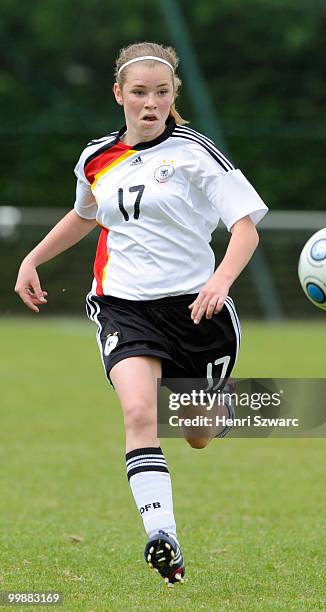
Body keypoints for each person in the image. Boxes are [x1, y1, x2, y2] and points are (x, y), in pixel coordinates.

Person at [14, 41, 268, 587]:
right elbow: (85, 216)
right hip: (123, 305)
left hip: (197, 312)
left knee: (197, 432)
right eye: (139, 93)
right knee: (138, 414)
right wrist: (33, 257)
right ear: (119, 95)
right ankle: (163, 536)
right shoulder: (96, 158)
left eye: (161, 92)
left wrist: (220, 281)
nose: (149, 103)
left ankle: (222, 406)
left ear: (174, 95)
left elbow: (245, 226)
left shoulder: (197, 153)